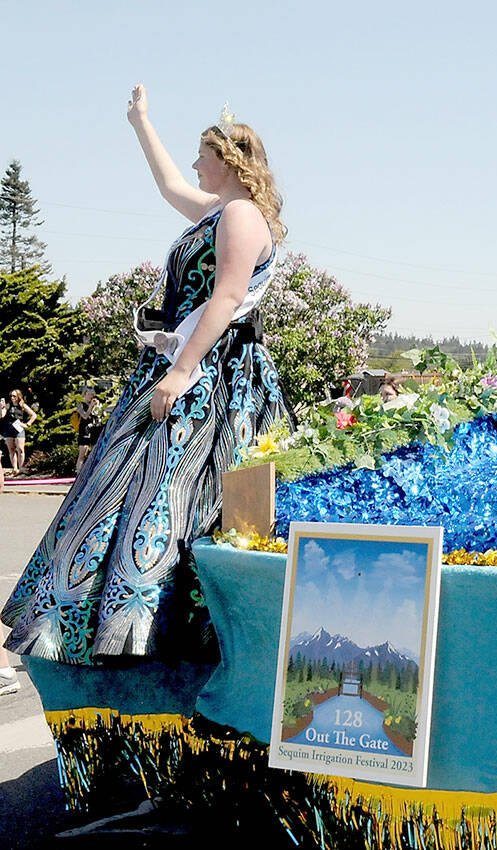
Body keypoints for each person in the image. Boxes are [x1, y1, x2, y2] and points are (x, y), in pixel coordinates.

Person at [1, 86, 292, 665]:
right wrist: (140, 123)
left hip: (209, 373)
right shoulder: (222, 211)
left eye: (201, 155)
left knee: (169, 487)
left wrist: (181, 369)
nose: (194, 165)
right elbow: (169, 186)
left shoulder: (238, 214)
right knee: (135, 486)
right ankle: (115, 624)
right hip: (189, 364)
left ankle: (147, 630)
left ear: (228, 160)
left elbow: (230, 295)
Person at [1, 389, 38, 474]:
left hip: (19, 428)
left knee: (20, 449)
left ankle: (21, 467)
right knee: (11, 449)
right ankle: (15, 468)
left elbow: (33, 415)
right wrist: (1, 407)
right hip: (8, 428)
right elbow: (2, 415)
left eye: (14, 396)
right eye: (11, 396)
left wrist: (27, 424)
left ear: (18, 396)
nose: (12, 397)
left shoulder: (22, 405)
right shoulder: (8, 405)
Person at [74, 386, 105, 472]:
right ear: (84, 394)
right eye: (89, 394)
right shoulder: (80, 404)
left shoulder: (94, 404)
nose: (91, 396)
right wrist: (90, 407)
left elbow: (103, 415)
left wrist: (99, 407)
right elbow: (85, 416)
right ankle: (79, 473)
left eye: (93, 394)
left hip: (94, 430)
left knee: (95, 453)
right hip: (85, 431)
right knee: (82, 454)